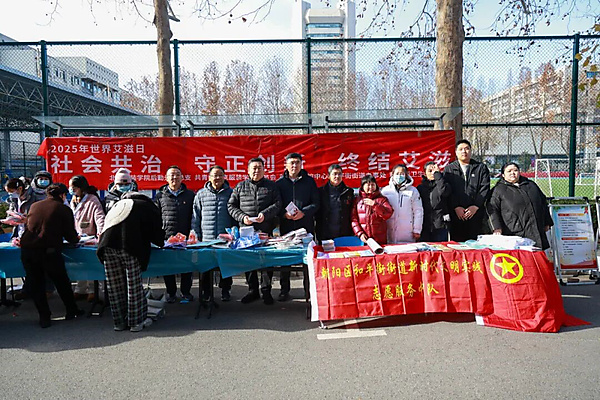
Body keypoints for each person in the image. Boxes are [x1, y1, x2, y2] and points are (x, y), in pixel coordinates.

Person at [97, 192, 164, 332]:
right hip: (130, 246)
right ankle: (136, 322)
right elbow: (156, 232)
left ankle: (119, 322)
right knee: (133, 286)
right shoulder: (147, 206)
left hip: (106, 246)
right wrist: (161, 242)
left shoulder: (118, 204)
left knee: (114, 286)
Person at [20, 183, 84, 328]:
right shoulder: (63, 209)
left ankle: (44, 317)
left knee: (36, 284)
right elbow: (70, 236)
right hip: (48, 251)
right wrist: (77, 239)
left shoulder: (35, 206)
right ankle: (71, 310)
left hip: (28, 250)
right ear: (62, 195)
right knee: (61, 281)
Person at [228, 157, 282, 305]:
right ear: (248, 170)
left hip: (265, 229)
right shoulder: (240, 187)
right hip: (247, 231)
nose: (256, 170)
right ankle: (253, 290)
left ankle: (266, 290)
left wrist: (265, 215)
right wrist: (242, 217)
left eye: (259, 168)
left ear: (264, 170)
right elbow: (231, 206)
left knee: (266, 261)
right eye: (254, 168)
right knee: (249, 261)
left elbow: (278, 204)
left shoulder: (271, 186)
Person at [275, 153, 319, 302]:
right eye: (292, 163)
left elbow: (316, 203)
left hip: (305, 227)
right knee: (285, 260)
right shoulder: (279, 183)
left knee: (307, 260)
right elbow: (276, 205)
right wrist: (284, 214)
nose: (294, 166)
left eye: (297, 163)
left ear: (301, 164)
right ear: (286, 165)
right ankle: (284, 290)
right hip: (287, 227)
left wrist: (304, 212)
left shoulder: (309, 182)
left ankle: (308, 291)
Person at [191, 165, 235, 302]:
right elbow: (196, 217)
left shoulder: (231, 193)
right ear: (209, 177)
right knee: (206, 267)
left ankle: (225, 290)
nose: (217, 178)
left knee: (226, 266)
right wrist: (196, 234)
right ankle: (207, 292)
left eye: (220, 175)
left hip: (225, 238)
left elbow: (235, 215)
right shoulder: (201, 194)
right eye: (215, 175)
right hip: (207, 238)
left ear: (224, 177)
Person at [487, 162, 554, 249]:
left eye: (515, 170)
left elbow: (543, 203)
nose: (513, 173)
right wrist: (496, 227)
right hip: (515, 233)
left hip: (536, 230)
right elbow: (492, 209)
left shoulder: (531, 185)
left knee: (537, 254)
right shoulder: (498, 190)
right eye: (509, 171)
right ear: (503, 175)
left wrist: (547, 222)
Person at [155, 165, 196, 303]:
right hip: (167, 237)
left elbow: (194, 216)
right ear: (166, 178)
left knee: (187, 266)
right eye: (171, 175)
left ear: (182, 178)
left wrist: (193, 233)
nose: (174, 177)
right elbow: (156, 217)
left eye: (177, 175)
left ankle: (186, 292)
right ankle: (171, 293)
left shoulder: (190, 195)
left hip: (186, 237)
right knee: (168, 267)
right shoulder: (160, 196)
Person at [444, 139, 491, 241]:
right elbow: (448, 190)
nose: (464, 151)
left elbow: (484, 188)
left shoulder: (480, 168)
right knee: (457, 245)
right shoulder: (449, 169)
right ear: (456, 152)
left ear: (470, 151)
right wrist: (456, 206)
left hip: (476, 213)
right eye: (461, 149)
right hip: (457, 214)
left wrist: (476, 206)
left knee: (475, 245)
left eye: (467, 149)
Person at [69, 175, 106, 302]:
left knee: (91, 265)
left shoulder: (92, 199)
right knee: (80, 265)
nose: (71, 190)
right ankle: (80, 289)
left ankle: (92, 290)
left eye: (73, 187)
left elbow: (100, 217)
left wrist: (101, 234)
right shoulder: (74, 199)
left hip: (91, 238)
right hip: (78, 238)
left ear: (81, 188)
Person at [381, 164, 424, 243]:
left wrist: (417, 229)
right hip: (389, 231)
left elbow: (418, 211)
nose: (399, 176)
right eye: (397, 173)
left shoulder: (413, 191)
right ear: (392, 174)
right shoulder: (385, 191)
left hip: (407, 232)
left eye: (402, 174)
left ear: (406, 175)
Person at [315, 164, 355, 243]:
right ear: (329, 176)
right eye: (334, 174)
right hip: (325, 233)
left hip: (344, 233)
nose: (337, 176)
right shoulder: (321, 192)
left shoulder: (348, 192)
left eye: (339, 174)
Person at [351, 174, 394, 245]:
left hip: (379, 239)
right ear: (362, 186)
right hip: (363, 239)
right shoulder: (357, 200)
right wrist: (360, 233)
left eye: (373, 185)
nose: (370, 187)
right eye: (368, 185)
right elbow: (354, 219)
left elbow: (388, 214)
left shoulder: (382, 199)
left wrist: (375, 205)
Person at [417, 161, 452, 242]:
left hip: (440, 224)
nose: (433, 173)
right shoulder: (420, 188)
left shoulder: (443, 184)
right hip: (424, 225)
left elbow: (444, 192)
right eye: (430, 171)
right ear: (425, 173)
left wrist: (438, 175)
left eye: (434, 171)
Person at [4, 177, 46, 241]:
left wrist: (28, 220)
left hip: (33, 235)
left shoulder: (35, 197)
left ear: (20, 188)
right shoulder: (14, 199)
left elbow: (42, 217)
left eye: (11, 191)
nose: (10, 194)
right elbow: (11, 211)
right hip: (19, 233)